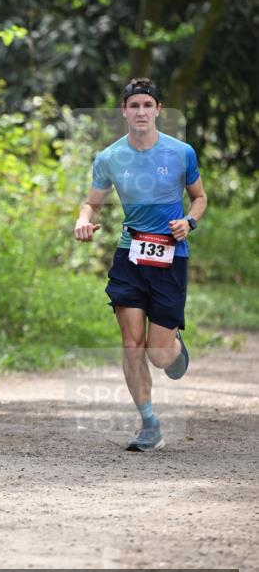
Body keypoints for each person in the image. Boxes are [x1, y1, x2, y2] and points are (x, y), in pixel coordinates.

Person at [74, 78, 208, 452]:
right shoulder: (110, 157)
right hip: (130, 255)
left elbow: (199, 198)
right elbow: (93, 203)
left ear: (158, 110)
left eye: (148, 105)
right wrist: (83, 220)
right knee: (131, 344)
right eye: (134, 106)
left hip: (170, 257)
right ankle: (149, 424)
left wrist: (190, 222)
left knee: (157, 353)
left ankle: (173, 348)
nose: (141, 112)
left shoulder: (181, 153)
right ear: (124, 112)